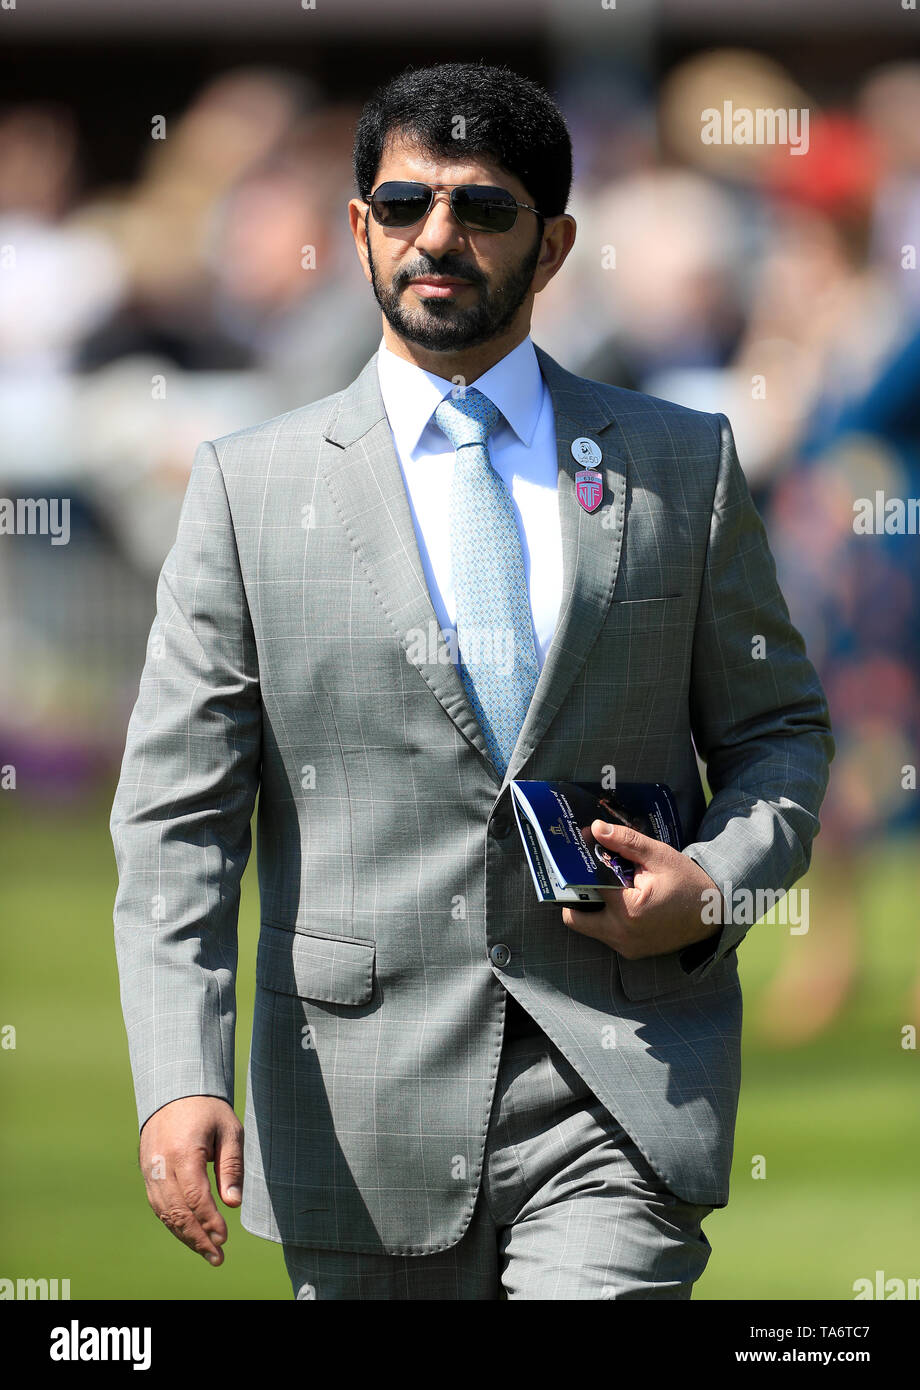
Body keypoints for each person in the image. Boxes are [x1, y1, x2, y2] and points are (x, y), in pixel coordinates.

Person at [111, 61, 834, 1301]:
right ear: (357, 229)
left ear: (551, 245)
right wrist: (182, 1072)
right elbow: (178, 817)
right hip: (354, 1103)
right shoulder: (247, 488)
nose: (434, 237)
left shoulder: (679, 464)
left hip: (619, 1082)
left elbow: (778, 731)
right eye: (401, 207)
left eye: (481, 209)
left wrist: (712, 886)